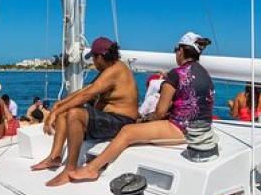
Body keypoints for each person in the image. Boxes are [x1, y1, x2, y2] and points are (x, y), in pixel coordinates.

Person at [70, 32, 214, 182]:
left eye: (176, 50)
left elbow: (160, 112)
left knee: (127, 131)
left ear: (181, 50)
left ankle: (91, 169)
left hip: (182, 129)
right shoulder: (205, 73)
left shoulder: (176, 74)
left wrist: (144, 120)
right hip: (203, 128)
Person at [31, 36, 139, 187]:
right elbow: (87, 89)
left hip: (121, 121)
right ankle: (54, 157)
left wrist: (54, 112)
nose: (93, 63)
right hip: (110, 120)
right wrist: (59, 105)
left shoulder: (115, 70)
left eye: (93, 59)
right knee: (64, 113)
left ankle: (70, 169)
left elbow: (86, 96)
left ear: (99, 57)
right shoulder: (110, 69)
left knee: (75, 113)